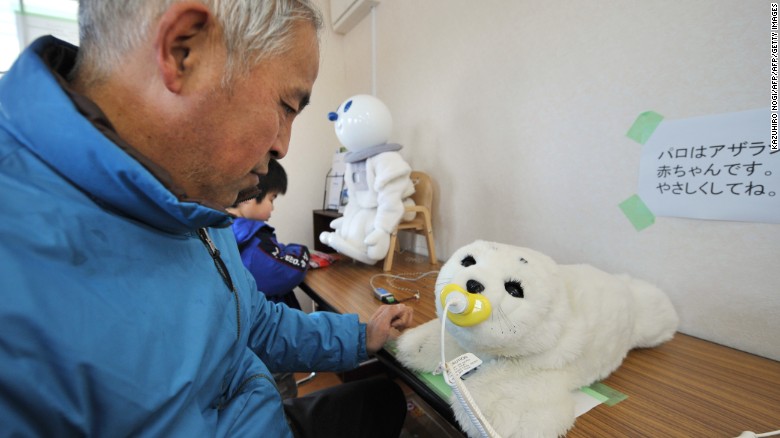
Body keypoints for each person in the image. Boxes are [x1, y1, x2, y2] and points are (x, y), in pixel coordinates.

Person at [0, 1, 414, 437]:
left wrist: (357, 337)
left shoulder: (193, 199)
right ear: (184, 51)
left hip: (263, 416)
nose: (283, 147)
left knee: (385, 399)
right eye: (287, 106)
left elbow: (252, 320)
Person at [228, 159, 308, 311]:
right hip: (274, 326)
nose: (273, 208)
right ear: (248, 195)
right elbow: (289, 271)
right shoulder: (253, 240)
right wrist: (302, 250)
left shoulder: (222, 229)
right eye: (272, 199)